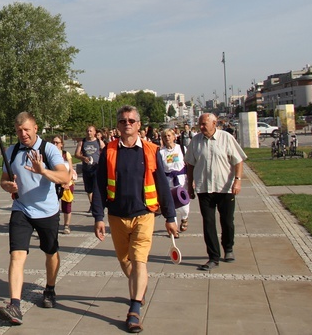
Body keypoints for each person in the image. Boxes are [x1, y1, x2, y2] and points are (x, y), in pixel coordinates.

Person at [91, 105, 177, 334]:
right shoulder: (108, 150)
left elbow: (162, 185)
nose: (127, 124)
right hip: (117, 216)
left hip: (144, 214)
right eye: (122, 121)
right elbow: (99, 186)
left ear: (139, 125)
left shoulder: (151, 150)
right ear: (117, 126)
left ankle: (134, 309)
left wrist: (170, 216)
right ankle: (140, 288)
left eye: (131, 120)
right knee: (126, 262)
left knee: (140, 261)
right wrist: (98, 216)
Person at [0, 112, 70, 325]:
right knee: (17, 255)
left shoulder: (48, 149)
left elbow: (64, 177)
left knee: (51, 252)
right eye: (19, 131)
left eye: (27, 130)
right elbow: (3, 180)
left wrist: (43, 170)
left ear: (36, 128)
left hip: (47, 212)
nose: (23, 134)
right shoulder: (11, 151)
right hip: (21, 209)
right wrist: (7, 185)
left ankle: (50, 288)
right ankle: (15, 305)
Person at [185, 113, 247, 271]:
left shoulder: (226, 138)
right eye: (200, 124)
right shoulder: (196, 141)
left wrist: (237, 180)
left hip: (224, 187)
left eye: (204, 124)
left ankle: (228, 248)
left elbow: (238, 160)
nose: (201, 127)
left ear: (214, 123)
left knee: (227, 221)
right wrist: (189, 185)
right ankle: (213, 256)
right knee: (208, 223)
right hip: (204, 188)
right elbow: (190, 164)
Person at [159, 128, 190, 236]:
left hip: (181, 180)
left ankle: (185, 218)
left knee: (184, 206)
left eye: (169, 135)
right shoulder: (161, 152)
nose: (167, 138)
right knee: (171, 205)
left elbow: (188, 164)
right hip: (168, 181)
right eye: (165, 136)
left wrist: (191, 180)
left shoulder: (181, 148)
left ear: (174, 136)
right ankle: (174, 229)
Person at [52, 136, 78, 234]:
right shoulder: (50, 154)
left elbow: (71, 169)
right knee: (52, 205)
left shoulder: (65, 154)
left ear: (61, 144)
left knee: (66, 205)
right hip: (54, 182)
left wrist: (67, 181)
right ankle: (53, 224)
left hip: (67, 183)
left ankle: (66, 225)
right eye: (53, 142)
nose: (55, 144)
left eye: (57, 142)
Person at [75, 125, 104, 207]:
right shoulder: (82, 142)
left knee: (96, 188)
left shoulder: (99, 142)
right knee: (89, 189)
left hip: (96, 168)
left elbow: (106, 152)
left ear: (95, 132)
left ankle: (96, 204)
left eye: (91, 131)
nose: (89, 132)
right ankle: (92, 204)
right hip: (86, 168)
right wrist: (83, 157)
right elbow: (76, 154)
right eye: (87, 131)